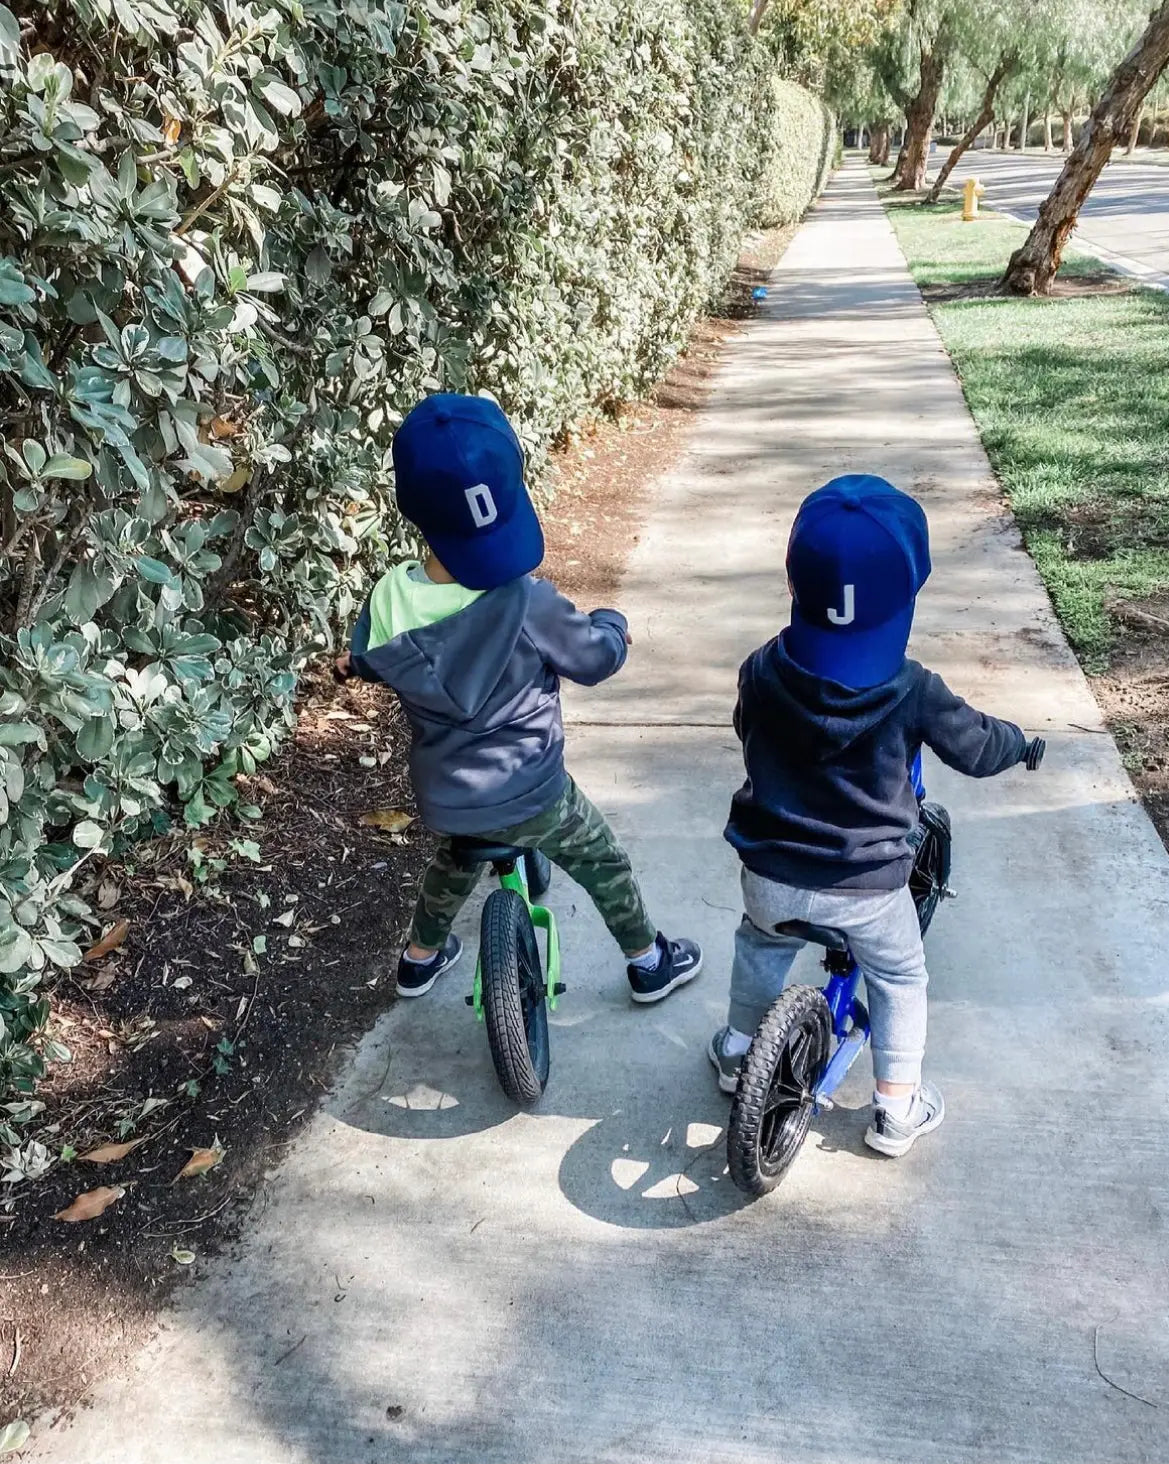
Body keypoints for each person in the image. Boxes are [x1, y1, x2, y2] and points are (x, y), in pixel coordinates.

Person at [709, 474, 1044, 1157]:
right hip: (865, 888)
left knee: (761, 942)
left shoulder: (761, 669)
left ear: (795, 583)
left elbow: (748, 730)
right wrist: (1019, 744)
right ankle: (896, 1109)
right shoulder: (913, 691)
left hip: (768, 869)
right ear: (905, 593)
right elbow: (977, 747)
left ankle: (737, 1048)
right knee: (899, 976)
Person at [337, 392, 701, 1004]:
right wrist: (612, 623)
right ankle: (648, 960)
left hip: (447, 796)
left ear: (412, 510)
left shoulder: (387, 602)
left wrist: (357, 669)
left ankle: (418, 960)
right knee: (600, 858)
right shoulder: (526, 601)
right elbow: (594, 659)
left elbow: (371, 660)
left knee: (453, 867)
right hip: (536, 790)